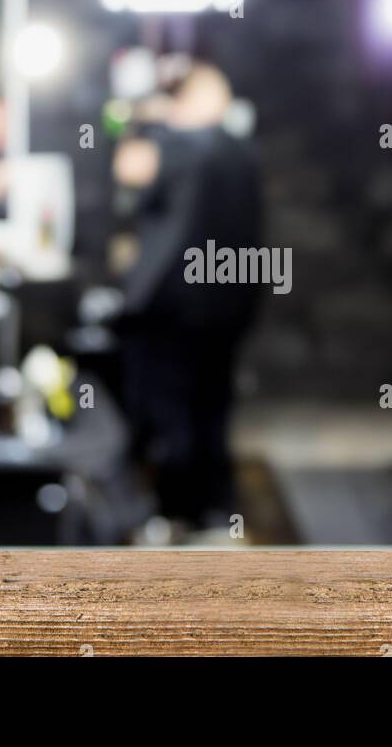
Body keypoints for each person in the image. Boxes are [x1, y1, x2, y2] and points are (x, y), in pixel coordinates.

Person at [113, 63, 261, 530]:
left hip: (174, 306)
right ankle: (214, 507)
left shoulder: (180, 145)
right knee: (214, 408)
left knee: (169, 408)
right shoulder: (244, 152)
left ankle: (174, 510)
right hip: (230, 303)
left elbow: (129, 173)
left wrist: (145, 120)